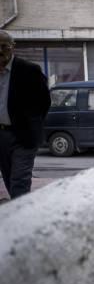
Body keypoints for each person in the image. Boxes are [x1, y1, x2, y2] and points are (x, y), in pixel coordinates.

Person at [0, 30, 51, 199]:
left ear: (12, 47)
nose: (0, 51)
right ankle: (19, 206)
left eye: (4, 47)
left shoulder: (29, 70)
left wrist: (32, 124)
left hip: (23, 135)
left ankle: (20, 216)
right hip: (1, 136)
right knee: (8, 177)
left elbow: (44, 102)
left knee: (19, 180)